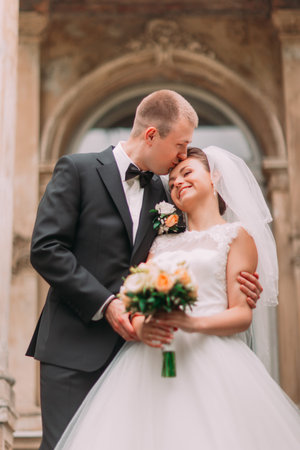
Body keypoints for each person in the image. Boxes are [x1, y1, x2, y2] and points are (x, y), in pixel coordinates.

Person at [26, 91, 261, 449]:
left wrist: (238, 286)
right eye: (180, 145)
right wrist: (108, 304)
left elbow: (191, 256)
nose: (183, 156)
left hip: (142, 356)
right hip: (74, 348)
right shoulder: (77, 169)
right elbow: (46, 249)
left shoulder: (167, 196)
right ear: (151, 135)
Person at [55, 146, 300, 450]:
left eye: (187, 173)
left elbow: (241, 314)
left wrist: (190, 322)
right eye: (171, 182)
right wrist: (142, 322)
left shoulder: (237, 236)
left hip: (210, 357)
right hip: (149, 359)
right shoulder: (159, 243)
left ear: (215, 178)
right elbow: (140, 290)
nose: (177, 183)